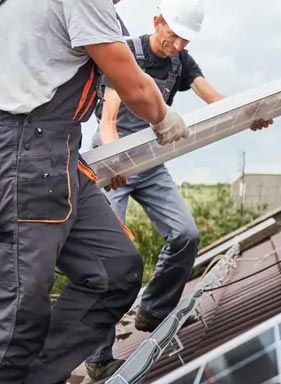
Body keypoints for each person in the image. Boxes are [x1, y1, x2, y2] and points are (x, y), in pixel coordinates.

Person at [0, 0, 190, 382]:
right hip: (30, 150)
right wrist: (163, 116)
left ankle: (34, 376)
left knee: (114, 271)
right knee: (23, 301)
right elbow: (132, 84)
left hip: (60, 153)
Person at [84, 0, 272, 379]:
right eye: (174, 37)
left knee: (186, 234)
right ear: (158, 22)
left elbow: (215, 100)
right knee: (110, 259)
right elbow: (107, 120)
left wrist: (249, 115)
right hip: (115, 162)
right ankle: (99, 355)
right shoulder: (127, 52)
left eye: (185, 40)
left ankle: (152, 310)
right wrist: (114, 163)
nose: (179, 46)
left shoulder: (181, 63)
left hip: (151, 164)